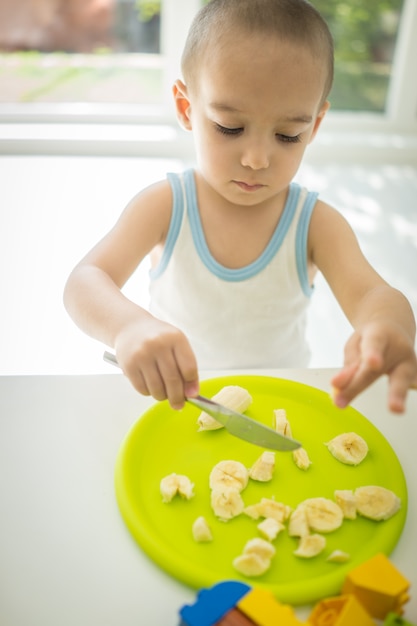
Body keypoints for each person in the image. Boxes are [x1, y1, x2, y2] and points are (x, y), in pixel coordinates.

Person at [64, 0, 417, 413]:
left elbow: (374, 293)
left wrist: (388, 328)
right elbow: (85, 281)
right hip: (177, 403)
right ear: (186, 108)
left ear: (315, 126)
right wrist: (128, 326)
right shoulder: (165, 206)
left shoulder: (315, 224)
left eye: (288, 135)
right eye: (230, 128)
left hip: (277, 408)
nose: (256, 159)